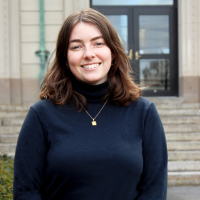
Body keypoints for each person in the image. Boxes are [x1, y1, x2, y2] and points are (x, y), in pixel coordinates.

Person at [13, 8, 168, 200]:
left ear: (112, 52)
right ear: (65, 58)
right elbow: (26, 191)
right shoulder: (41, 115)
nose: (88, 54)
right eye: (76, 47)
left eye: (98, 43)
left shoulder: (144, 113)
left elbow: (154, 190)